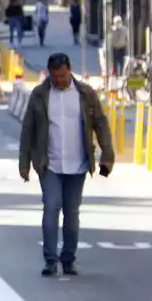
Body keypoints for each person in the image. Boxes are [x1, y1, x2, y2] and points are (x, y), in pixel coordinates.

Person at [19, 53, 114, 277]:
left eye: (62, 76)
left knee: (72, 212)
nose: (58, 80)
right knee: (51, 206)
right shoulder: (40, 94)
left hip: (78, 164)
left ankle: (68, 258)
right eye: (54, 76)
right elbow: (28, 128)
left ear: (69, 70)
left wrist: (107, 154)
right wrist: (24, 162)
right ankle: (50, 260)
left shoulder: (86, 94)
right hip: (49, 163)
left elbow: (100, 123)